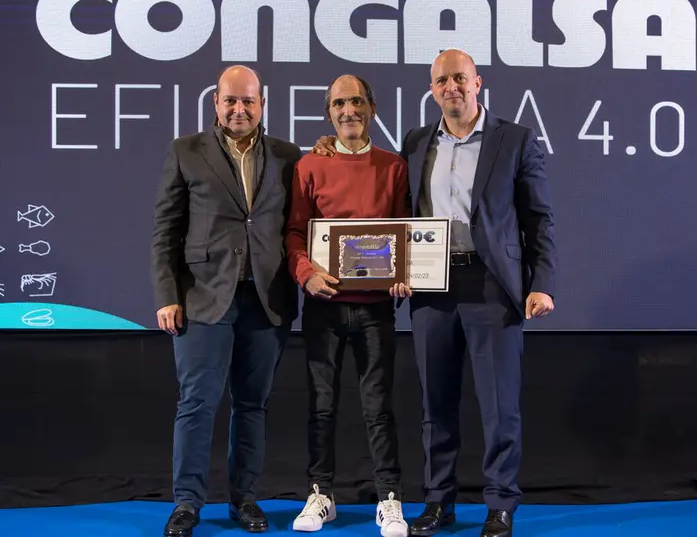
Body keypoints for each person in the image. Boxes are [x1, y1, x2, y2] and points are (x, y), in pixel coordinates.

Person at [312, 49, 557, 537]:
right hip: (432, 286)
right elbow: (398, 212)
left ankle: (500, 505)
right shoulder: (417, 141)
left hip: (493, 286)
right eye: (442, 80)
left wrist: (542, 284)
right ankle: (438, 503)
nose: (452, 87)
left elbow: (538, 219)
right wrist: (329, 147)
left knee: (498, 403)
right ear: (432, 89)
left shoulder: (516, 139)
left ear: (478, 83)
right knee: (435, 404)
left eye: (460, 78)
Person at [150, 65, 301, 537]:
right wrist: (167, 295)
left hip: (267, 298)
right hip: (201, 298)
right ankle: (187, 503)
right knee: (196, 403)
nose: (239, 109)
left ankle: (245, 499)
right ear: (215, 103)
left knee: (252, 404)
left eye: (248, 101)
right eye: (230, 101)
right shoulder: (185, 151)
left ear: (262, 104)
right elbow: (165, 232)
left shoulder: (289, 155)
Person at [285, 75, 411, 537]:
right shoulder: (308, 166)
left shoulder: (394, 166)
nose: (348, 110)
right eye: (338, 103)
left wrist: (406, 276)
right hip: (323, 306)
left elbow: (405, 233)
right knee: (321, 406)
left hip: (378, 308)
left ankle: (389, 498)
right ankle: (321, 494)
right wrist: (306, 274)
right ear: (329, 112)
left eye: (356, 101)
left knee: (378, 407)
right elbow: (295, 233)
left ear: (371, 108)